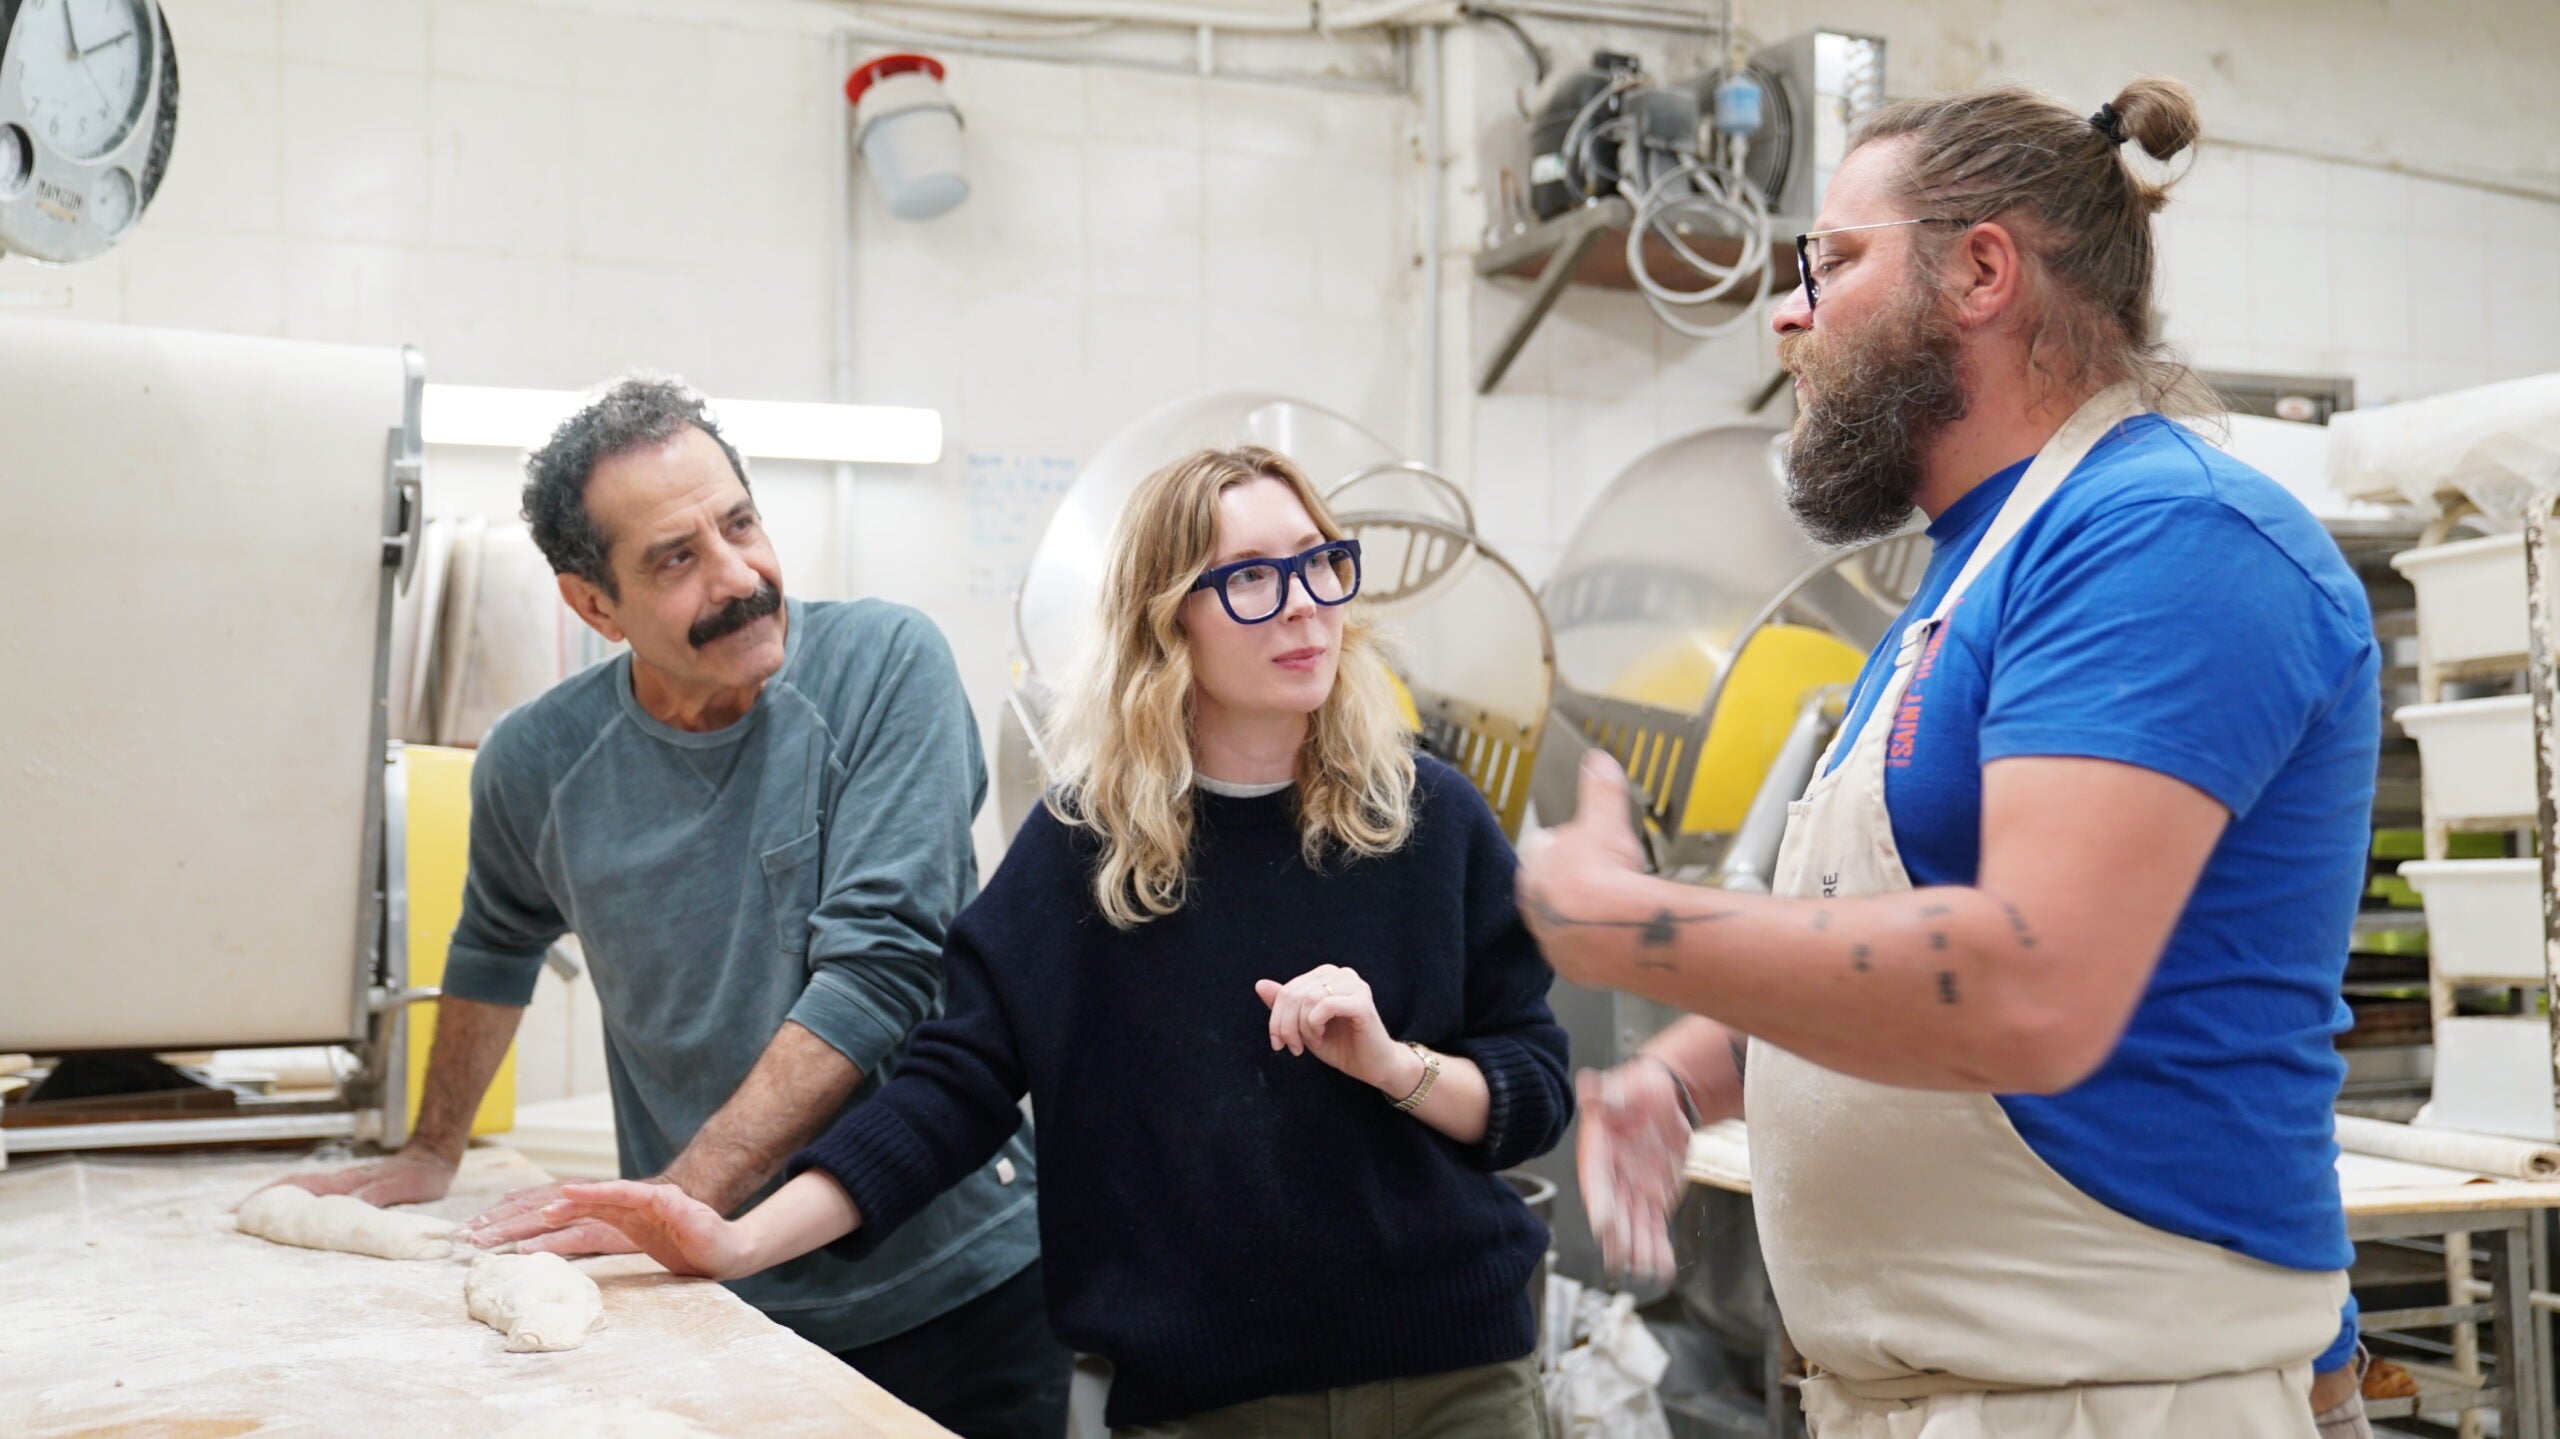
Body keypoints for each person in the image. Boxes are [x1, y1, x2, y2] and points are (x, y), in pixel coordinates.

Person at [1518, 79, 2380, 1438]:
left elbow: (2026, 985)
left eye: (1834, 261)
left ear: (1981, 270)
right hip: (1959, 1392)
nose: (1786, 313)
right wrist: (1687, 1073)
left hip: (2117, 1394)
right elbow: (1882, 945)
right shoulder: (1960, 581)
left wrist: (1635, 925)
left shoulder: (2167, 539)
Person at [546, 445, 1574, 1438]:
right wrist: (736, 1237)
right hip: (1206, 1405)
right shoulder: (1089, 851)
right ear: (1167, 619)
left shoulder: (1425, 815)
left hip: (1459, 1385)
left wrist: (1393, 1064)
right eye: (1253, 578)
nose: (1306, 602)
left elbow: (1531, 1087)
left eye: (1319, 562)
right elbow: (950, 1093)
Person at [269, 376, 1066, 1439]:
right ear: (594, 605)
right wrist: (432, 1148)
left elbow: (880, 970)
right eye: (676, 558)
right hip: (714, 1306)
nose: (740, 578)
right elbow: (496, 939)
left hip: (956, 1288)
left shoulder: (885, 665)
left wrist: (674, 1206)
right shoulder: (537, 761)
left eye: (739, 523)